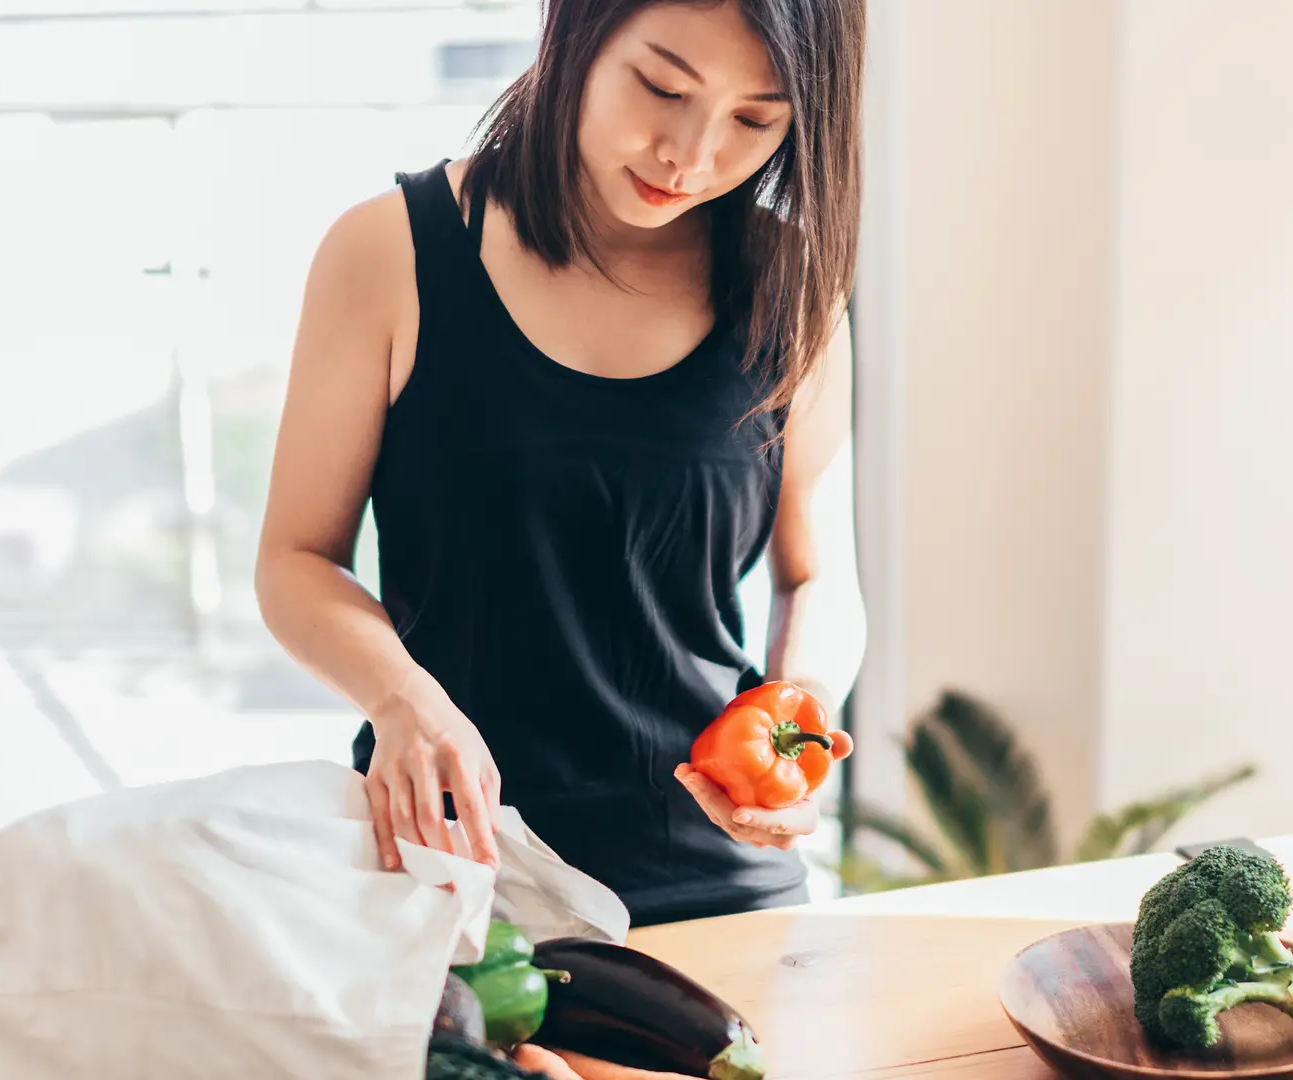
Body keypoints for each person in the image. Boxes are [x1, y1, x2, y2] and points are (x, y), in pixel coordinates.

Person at [255, 0, 867, 928]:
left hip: (723, 886)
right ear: (574, 33)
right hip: (454, 875)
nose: (691, 154)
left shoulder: (792, 285)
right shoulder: (390, 251)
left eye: (755, 119)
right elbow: (295, 561)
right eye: (662, 86)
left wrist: (800, 723)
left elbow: (817, 574)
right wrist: (402, 699)